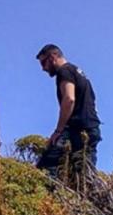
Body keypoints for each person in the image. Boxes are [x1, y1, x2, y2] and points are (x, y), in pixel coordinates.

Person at [35, 44, 101, 175]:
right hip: (91, 128)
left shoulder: (64, 71)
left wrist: (58, 131)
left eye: (43, 63)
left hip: (77, 129)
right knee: (83, 173)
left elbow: (69, 99)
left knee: (48, 166)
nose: (43, 68)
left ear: (52, 57)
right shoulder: (77, 72)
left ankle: (47, 188)